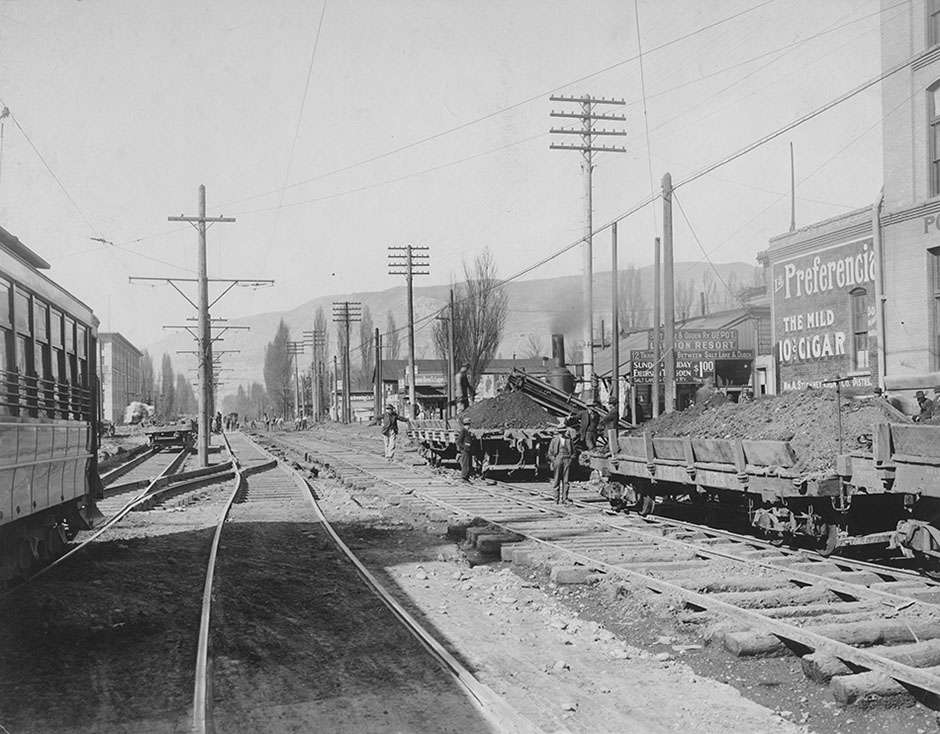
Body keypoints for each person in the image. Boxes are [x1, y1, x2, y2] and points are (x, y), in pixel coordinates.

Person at [548, 426, 575, 504]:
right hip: (558, 459)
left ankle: (565, 498)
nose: (562, 433)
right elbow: (550, 453)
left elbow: (573, 452)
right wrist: (554, 460)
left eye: (563, 432)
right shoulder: (554, 440)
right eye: (560, 432)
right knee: (556, 480)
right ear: (558, 432)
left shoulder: (569, 440)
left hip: (567, 459)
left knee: (566, 480)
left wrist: (570, 459)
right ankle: (556, 499)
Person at [457, 416, 474, 482]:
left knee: (469, 464)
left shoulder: (467, 431)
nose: (470, 426)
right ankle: (464, 477)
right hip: (465, 451)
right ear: (467, 425)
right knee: (465, 464)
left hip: (468, 450)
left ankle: (467, 477)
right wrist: (464, 448)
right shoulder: (463, 431)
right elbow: (458, 441)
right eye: (469, 425)